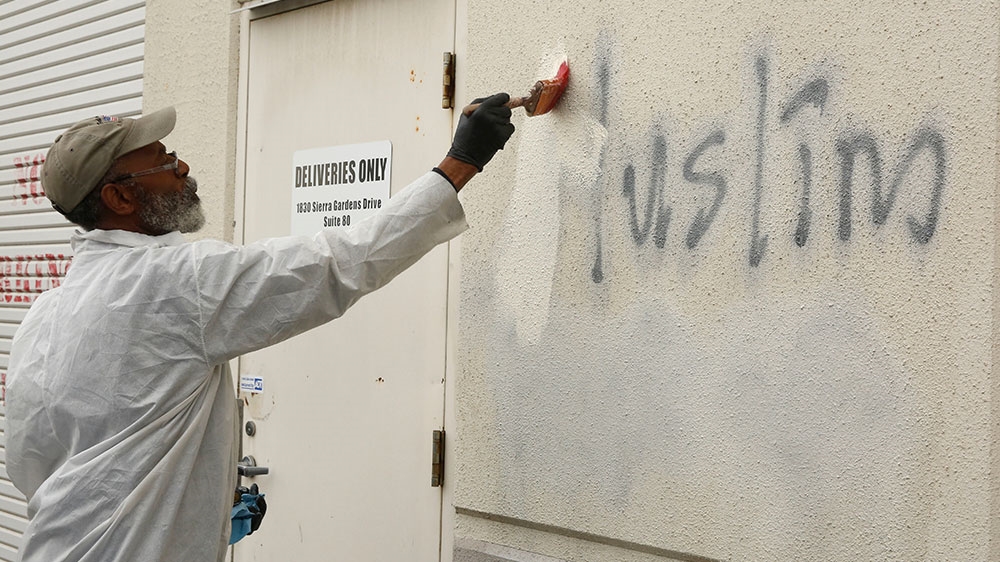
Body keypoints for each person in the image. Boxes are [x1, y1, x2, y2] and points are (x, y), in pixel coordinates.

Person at [5, 94, 515, 562]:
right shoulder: (180, 284)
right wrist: (460, 163)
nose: (182, 167)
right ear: (119, 199)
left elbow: (34, 464)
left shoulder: (44, 315)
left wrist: (190, 498)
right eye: (162, 163)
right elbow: (341, 263)